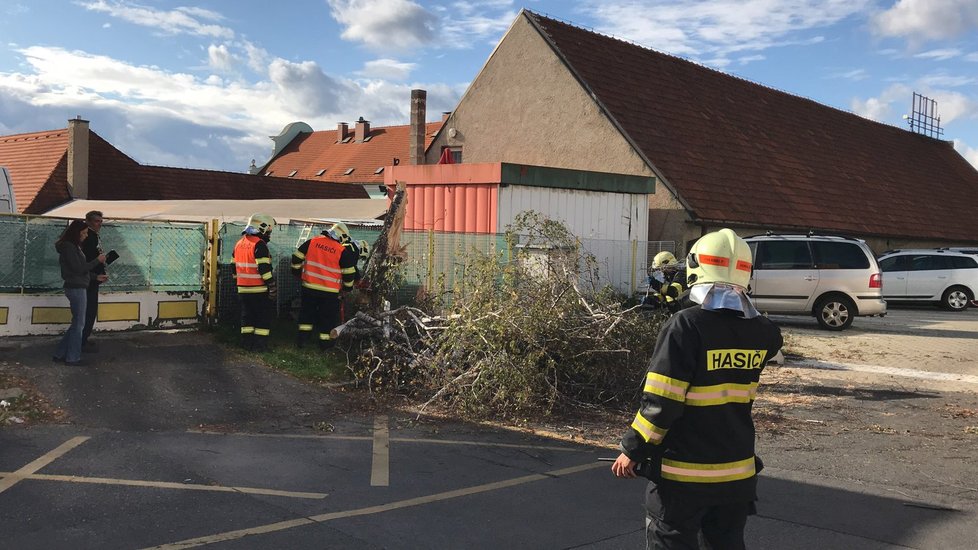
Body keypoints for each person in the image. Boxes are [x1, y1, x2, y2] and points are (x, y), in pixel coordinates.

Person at [612, 228, 783, 549]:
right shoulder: (763, 332)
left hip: (683, 479)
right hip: (736, 476)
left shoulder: (685, 327)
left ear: (696, 267)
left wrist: (632, 449)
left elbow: (662, 402)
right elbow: (770, 341)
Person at [291, 222, 358, 350]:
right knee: (327, 319)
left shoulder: (312, 241)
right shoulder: (341, 250)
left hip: (308, 288)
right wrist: (346, 289)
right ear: (342, 237)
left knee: (306, 315)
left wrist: (297, 273)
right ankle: (325, 346)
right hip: (330, 293)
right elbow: (349, 273)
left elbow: (296, 258)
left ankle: (302, 342)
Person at [54, 220, 107, 366]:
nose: (85, 236)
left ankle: (60, 353)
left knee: (77, 323)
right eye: (83, 233)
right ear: (76, 233)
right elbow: (78, 268)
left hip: (77, 285)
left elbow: (79, 270)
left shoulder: (72, 246)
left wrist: (96, 277)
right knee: (79, 324)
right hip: (76, 288)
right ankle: (72, 357)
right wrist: (97, 260)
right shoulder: (69, 247)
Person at [232, 213, 277, 351]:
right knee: (263, 318)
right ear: (262, 228)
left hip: (243, 289)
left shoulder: (239, 244)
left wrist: (239, 282)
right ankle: (260, 346)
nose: (269, 234)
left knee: (247, 317)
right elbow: (264, 269)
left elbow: (233, 268)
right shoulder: (259, 244)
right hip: (259, 290)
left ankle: (246, 344)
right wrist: (272, 286)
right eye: (269, 231)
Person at [81, 210, 106, 351]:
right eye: (97, 221)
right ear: (89, 221)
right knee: (89, 311)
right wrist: (96, 273)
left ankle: (83, 338)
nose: (100, 224)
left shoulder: (94, 235)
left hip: (93, 276)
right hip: (90, 278)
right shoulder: (88, 236)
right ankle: (81, 341)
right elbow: (88, 258)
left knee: (89, 310)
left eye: (101, 221)